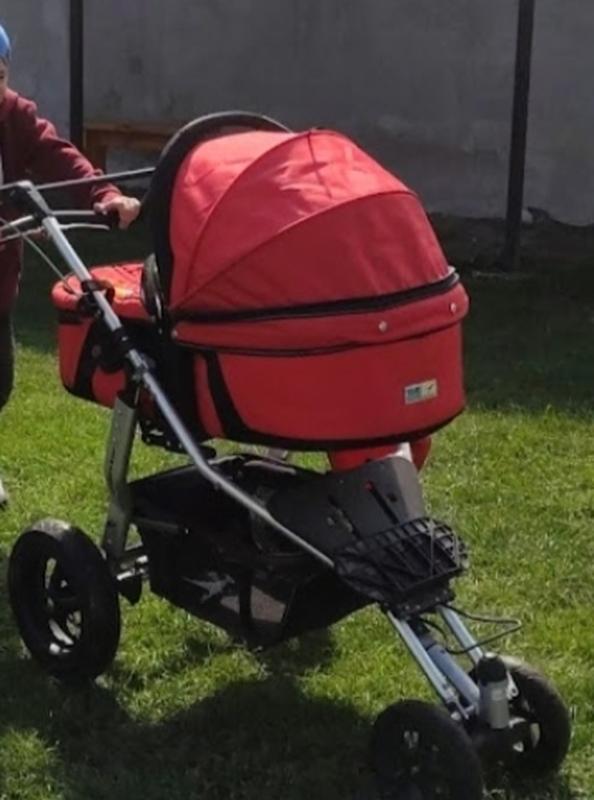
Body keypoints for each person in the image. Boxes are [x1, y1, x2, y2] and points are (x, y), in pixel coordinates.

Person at [0, 22, 141, 505]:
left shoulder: (14, 116)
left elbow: (59, 157)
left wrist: (105, 193)